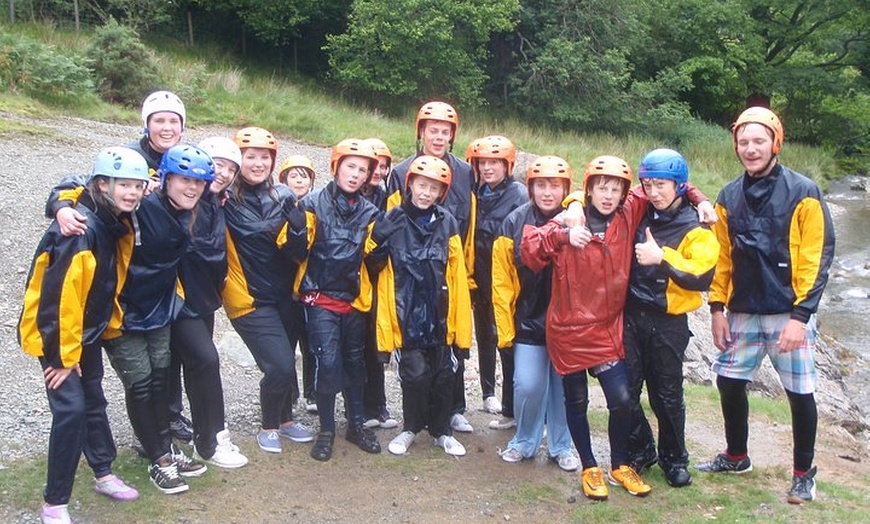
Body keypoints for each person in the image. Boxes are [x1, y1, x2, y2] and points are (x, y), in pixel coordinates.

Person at [522, 155, 712, 500]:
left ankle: (620, 463)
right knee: (576, 401)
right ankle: (589, 466)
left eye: (615, 189)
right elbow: (529, 250)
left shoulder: (628, 212)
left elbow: (663, 183)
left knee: (623, 399)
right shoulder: (567, 221)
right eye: (600, 189)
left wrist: (701, 199)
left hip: (607, 328)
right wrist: (563, 235)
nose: (608, 196)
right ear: (589, 190)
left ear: (624, 194)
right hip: (567, 330)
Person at [695, 106, 835, 505]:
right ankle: (737, 456)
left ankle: (804, 473)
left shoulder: (803, 191)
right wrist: (717, 308)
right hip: (742, 309)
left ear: (776, 142)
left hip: (787, 311)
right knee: (729, 381)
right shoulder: (728, 195)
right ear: (736, 145)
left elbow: (816, 256)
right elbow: (723, 258)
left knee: (799, 392)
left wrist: (800, 317)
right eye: (744, 142)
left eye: (759, 141)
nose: (751, 149)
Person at [53, 90, 194, 443]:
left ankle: (168, 421)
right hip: (126, 284)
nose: (166, 127)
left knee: (165, 361)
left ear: (182, 127)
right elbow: (81, 183)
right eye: (158, 120)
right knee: (143, 375)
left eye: (173, 121)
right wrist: (60, 205)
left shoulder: (182, 163)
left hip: (162, 287)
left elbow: (208, 180)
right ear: (146, 124)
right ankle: (153, 437)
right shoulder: (129, 157)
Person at [20, 147, 148, 524]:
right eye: (124, 184)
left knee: (93, 399)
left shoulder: (112, 218)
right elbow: (58, 301)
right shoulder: (79, 229)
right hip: (57, 334)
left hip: (84, 332)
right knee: (71, 410)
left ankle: (104, 472)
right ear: (102, 184)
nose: (133, 193)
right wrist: (63, 358)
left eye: (138, 186)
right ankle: (54, 501)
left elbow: (70, 185)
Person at [623, 148, 719, 488]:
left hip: (668, 321)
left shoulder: (697, 224)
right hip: (632, 315)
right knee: (625, 391)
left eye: (661, 184)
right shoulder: (638, 207)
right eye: (648, 183)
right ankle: (641, 449)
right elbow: (597, 195)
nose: (653, 192)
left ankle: (675, 459)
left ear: (679, 185)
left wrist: (660, 257)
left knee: (666, 396)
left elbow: (702, 276)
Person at [285, 139, 383, 461]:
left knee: (355, 365)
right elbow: (295, 254)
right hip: (319, 296)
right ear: (336, 166)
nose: (355, 175)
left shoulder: (370, 212)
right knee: (327, 364)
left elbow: (372, 262)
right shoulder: (312, 203)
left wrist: (382, 242)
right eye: (350, 167)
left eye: (363, 170)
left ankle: (355, 425)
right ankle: (326, 429)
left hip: (354, 300)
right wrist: (297, 230)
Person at [372, 155, 472, 457]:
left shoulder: (448, 222)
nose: (427, 193)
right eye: (422, 185)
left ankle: (442, 431)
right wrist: (376, 237)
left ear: (442, 193)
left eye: (434, 188)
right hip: (406, 312)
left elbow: (456, 273)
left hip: (441, 314)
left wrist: (461, 330)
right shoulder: (392, 218)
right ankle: (410, 428)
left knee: (444, 376)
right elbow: (373, 263)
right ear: (410, 185)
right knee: (414, 376)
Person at [222, 127, 314, 454]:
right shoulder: (223, 200)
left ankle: (286, 420)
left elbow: (297, 253)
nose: (258, 164)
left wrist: (300, 229)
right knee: (279, 366)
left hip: (285, 294)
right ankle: (269, 424)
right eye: (251, 157)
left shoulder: (284, 196)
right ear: (238, 159)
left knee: (287, 358)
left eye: (265, 157)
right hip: (249, 297)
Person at [386, 101, 476, 434]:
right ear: (421, 132)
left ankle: (455, 409)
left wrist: (463, 268)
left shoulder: (465, 172)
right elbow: (394, 221)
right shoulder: (401, 172)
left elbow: (471, 217)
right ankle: (417, 420)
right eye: (432, 130)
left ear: (452, 136)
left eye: (445, 132)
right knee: (420, 352)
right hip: (412, 269)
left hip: (449, 261)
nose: (438, 137)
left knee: (453, 342)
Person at [164, 136, 248, 470]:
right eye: (218, 165)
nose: (223, 173)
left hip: (204, 300)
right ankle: (211, 441)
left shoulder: (216, 201)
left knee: (193, 367)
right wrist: (62, 203)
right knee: (206, 362)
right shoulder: (179, 199)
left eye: (230, 168)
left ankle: (197, 436)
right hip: (178, 301)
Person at [491, 155, 578, 471]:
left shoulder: (578, 220)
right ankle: (524, 441)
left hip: (568, 324)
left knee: (564, 388)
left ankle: (561, 445)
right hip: (528, 319)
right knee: (528, 385)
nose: (547, 192)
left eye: (555, 186)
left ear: (565, 188)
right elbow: (500, 281)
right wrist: (505, 329)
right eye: (541, 185)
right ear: (530, 188)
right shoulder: (513, 222)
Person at [467, 135, 528, 429]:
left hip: (507, 279)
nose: (488, 168)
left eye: (494, 163)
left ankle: (512, 408)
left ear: (507, 165)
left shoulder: (519, 194)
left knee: (508, 338)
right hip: (478, 276)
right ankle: (488, 393)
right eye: (484, 163)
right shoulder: (475, 191)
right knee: (484, 335)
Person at [275, 153, 318, 413]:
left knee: (311, 342)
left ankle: (312, 393)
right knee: (286, 342)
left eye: (304, 175)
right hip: (283, 284)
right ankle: (289, 393)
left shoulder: (316, 205)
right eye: (294, 175)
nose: (299, 180)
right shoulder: (276, 204)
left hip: (310, 284)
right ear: (283, 179)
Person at [361, 138, 399, 430]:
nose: (378, 171)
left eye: (384, 166)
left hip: (379, 276)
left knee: (376, 345)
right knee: (355, 346)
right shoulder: (348, 192)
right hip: (353, 277)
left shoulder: (388, 197)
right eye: (374, 165)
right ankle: (358, 405)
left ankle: (378, 405)